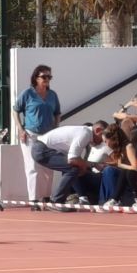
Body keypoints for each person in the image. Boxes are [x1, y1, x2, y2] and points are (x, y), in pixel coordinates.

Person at [15, 65, 61, 202]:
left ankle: (46, 197)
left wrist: (56, 129)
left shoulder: (52, 95)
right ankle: (34, 199)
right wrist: (20, 129)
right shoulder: (27, 94)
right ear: (36, 78)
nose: (47, 79)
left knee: (49, 166)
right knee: (32, 166)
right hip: (31, 134)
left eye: (49, 77)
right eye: (44, 76)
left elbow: (57, 113)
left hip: (49, 135)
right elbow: (15, 110)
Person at [30, 120, 104, 205]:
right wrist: (85, 167)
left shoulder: (83, 132)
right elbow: (72, 159)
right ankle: (56, 201)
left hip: (41, 148)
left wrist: (91, 165)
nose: (102, 141)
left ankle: (61, 199)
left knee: (71, 168)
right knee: (73, 169)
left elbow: (76, 159)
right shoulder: (85, 134)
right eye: (102, 137)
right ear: (98, 130)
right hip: (42, 150)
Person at [99, 125, 137, 206]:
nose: (106, 144)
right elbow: (120, 164)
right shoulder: (119, 148)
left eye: (106, 141)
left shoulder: (128, 147)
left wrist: (120, 165)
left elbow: (136, 167)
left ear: (112, 139)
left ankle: (117, 199)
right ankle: (112, 199)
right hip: (128, 175)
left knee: (125, 171)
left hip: (135, 176)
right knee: (108, 170)